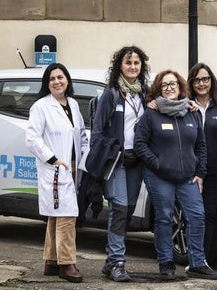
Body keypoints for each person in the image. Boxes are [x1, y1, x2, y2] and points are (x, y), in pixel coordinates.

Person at [134, 70, 217, 280]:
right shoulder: (151, 114)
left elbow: (200, 145)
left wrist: (200, 172)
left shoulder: (191, 112)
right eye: (164, 85)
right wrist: (157, 164)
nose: (170, 88)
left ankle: (197, 263)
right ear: (158, 90)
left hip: (187, 177)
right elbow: (140, 144)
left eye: (173, 84)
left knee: (197, 216)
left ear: (181, 88)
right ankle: (166, 263)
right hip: (159, 176)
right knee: (164, 218)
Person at [91, 46, 150, 282]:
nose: (133, 67)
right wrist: (106, 153)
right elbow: (97, 130)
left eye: (137, 63)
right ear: (120, 66)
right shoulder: (111, 94)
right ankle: (117, 262)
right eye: (128, 63)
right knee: (120, 208)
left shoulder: (144, 95)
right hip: (117, 161)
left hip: (137, 161)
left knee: (127, 211)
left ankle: (110, 262)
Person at [25, 63, 87, 283]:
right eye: (51, 79)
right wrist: (52, 159)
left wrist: (84, 158)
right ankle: (67, 264)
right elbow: (32, 138)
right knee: (67, 216)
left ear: (67, 80)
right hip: (55, 168)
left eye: (60, 77)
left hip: (71, 167)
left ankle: (51, 261)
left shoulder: (73, 105)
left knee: (56, 215)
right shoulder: (41, 106)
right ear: (47, 83)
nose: (57, 81)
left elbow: (80, 136)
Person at [187, 63, 217, 263]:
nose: (201, 84)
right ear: (191, 83)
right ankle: (192, 257)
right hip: (188, 170)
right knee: (191, 215)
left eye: (205, 79)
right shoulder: (184, 103)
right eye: (197, 80)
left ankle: (204, 259)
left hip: (214, 170)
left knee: (208, 214)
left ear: (212, 80)